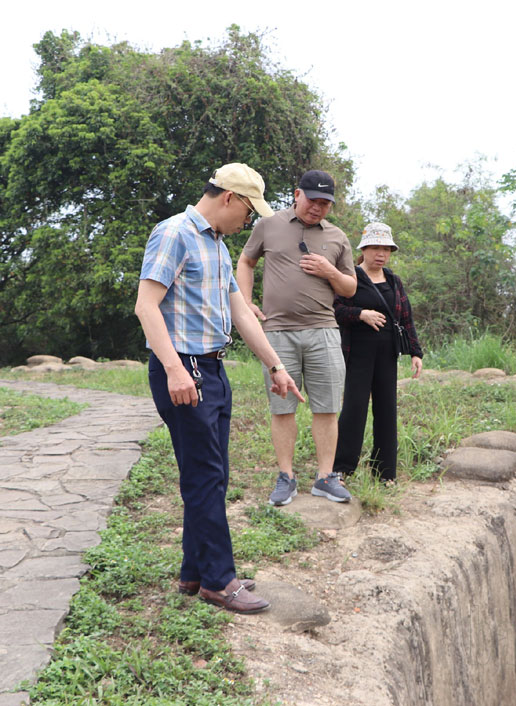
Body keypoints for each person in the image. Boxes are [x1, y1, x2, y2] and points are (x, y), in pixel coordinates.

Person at [135, 162, 304, 615]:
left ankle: (194, 572)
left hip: (212, 367)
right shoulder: (174, 234)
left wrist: (275, 366)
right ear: (229, 197)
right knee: (205, 474)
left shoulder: (217, 246)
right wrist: (173, 369)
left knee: (212, 474)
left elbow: (242, 313)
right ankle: (219, 581)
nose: (249, 221)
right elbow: (145, 305)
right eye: (248, 211)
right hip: (183, 367)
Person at [237, 170, 357, 506]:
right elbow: (246, 261)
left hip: (324, 331)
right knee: (282, 407)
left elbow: (350, 287)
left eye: (325, 203)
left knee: (327, 407)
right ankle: (286, 477)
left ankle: (324, 477)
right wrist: (246, 302)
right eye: (313, 200)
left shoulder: (337, 237)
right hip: (276, 333)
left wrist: (328, 271)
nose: (318, 208)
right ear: (296, 194)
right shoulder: (268, 225)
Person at [332, 222, 423, 483]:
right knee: (354, 409)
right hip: (357, 353)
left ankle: (385, 473)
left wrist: (415, 353)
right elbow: (335, 310)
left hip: (387, 353)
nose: (380, 254)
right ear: (364, 249)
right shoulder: (351, 277)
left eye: (386, 249)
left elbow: (406, 317)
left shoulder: (393, 280)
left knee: (386, 410)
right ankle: (342, 469)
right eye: (375, 248)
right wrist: (361, 314)